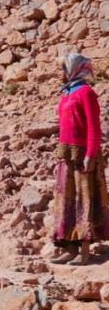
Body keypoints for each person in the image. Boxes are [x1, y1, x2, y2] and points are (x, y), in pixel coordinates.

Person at [50, 53, 109, 265]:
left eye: (63, 68)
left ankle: (84, 251)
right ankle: (70, 248)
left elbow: (94, 127)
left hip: (83, 155)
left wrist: (91, 155)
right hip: (67, 155)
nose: (60, 72)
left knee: (84, 200)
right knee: (67, 201)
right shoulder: (66, 93)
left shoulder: (86, 93)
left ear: (74, 69)